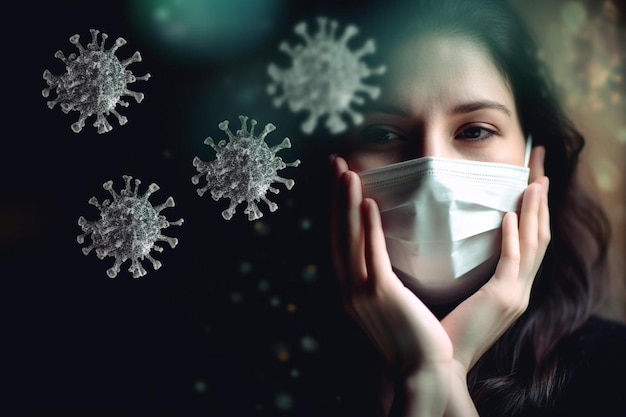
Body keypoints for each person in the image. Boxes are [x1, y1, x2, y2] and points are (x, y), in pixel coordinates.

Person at [321, 0, 626, 415]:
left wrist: (434, 372)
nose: (433, 175)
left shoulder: (613, 374)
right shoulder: (257, 372)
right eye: (382, 133)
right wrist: (425, 373)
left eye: (475, 130)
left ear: (534, 163)